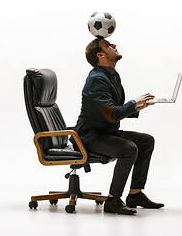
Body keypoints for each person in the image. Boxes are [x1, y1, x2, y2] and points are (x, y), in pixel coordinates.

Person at [70, 38, 164, 215]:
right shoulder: (97, 79)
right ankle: (113, 200)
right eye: (108, 45)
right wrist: (133, 103)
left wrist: (137, 106)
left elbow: (113, 109)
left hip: (106, 132)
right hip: (89, 137)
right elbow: (112, 114)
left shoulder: (111, 75)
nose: (114, 45)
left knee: (145, 141)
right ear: (101, 55)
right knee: (128, 149)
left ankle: (135, 194)